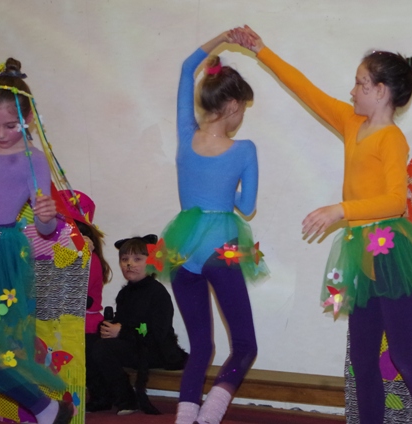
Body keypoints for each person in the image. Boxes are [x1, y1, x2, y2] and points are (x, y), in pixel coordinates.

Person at [230, 26, 412, 424]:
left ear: (380, 91)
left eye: (359, 83)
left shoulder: (391, 139)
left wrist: (341, 210)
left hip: (389, 251)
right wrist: (262, 50)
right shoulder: (353, 124)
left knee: (405, 355)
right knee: (362, 359)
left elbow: (396, 201)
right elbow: (306, 90)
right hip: (362, 252)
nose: (352, 92)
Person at [153, 32, 268, 424]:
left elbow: (188, 68)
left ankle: (186, 419)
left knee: (201, 347)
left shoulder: (186, 135)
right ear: (232, 105)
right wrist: (224, 193)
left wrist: (222, 39)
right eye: (242, 110)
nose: (241, 118)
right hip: (223, 249)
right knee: (245, 345)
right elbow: (247, 206)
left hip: (181, 249)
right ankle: (210, 415)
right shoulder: (244, 150)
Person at [0, 59, 73, 423]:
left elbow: (44, 227)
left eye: (10, 125)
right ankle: (46, 409)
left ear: (27, 120)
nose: (0, 133)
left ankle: (44, 407)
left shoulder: (32, 159)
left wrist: (46, 215)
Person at [87, 234, 188, 415]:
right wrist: (108, 327)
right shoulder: (125, 293)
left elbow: (156, 333)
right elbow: (125, 322)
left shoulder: (157, 293)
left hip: (155, 350)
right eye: (124, 259)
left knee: (103, 348)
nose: (129, 264)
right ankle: (101, 397)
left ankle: (128, 400)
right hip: (133, 345)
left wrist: (122, 331)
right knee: (89, 342)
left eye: (137, 259)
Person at [57, 189, 113, 409]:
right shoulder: (71, 255)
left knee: (87, 367)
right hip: (71, 322)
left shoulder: (87, 258)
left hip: (84, 326)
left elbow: (76, 290)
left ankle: (101, 397)